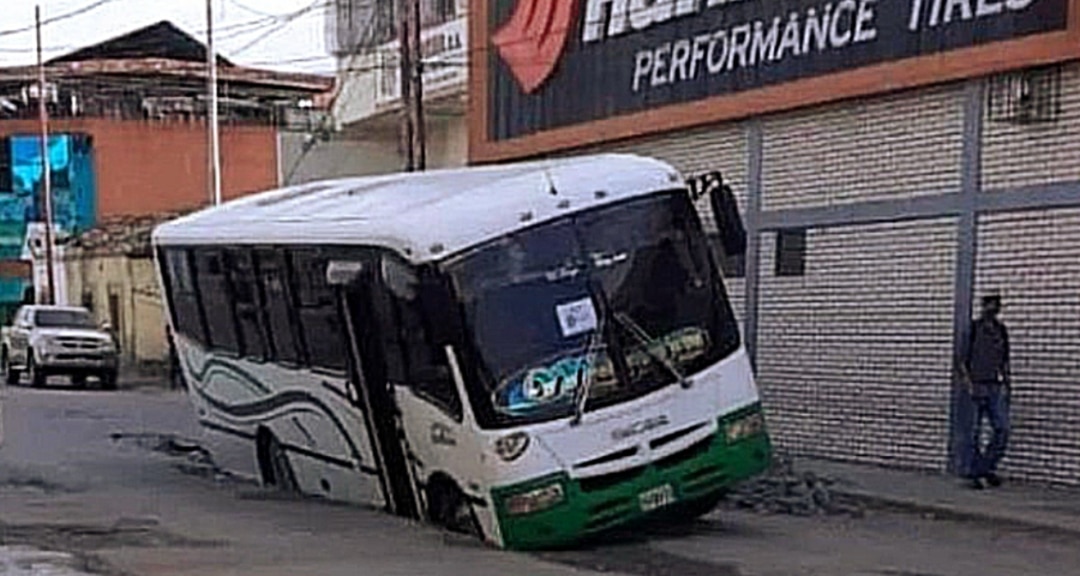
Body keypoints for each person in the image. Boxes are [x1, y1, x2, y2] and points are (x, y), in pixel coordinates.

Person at [958, 293, 1012, 490]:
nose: (994, 309)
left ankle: (985, 468)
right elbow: (962, 361)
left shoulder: (1001, 331)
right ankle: (975, 473)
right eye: (990, 305)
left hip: (995, 387)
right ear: (984, 307)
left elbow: (1005, 361)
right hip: (976, 385)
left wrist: (1007, 385)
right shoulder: (974, 329)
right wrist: (969, 385)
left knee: (1002, 429)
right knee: (973, 432)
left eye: (997, 306)